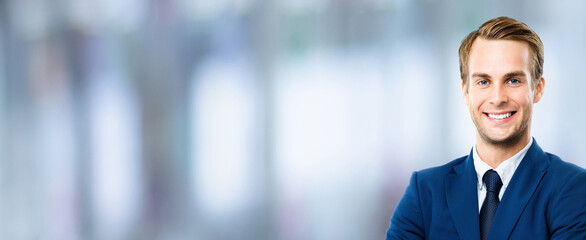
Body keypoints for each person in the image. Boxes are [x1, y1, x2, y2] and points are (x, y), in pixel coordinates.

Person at [385, 16, 586, 240]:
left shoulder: (573, 189)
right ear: (465, 92)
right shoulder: (424, 193)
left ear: (538, 89)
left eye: (513, 80)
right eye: (483, 81)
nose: (497, 98)